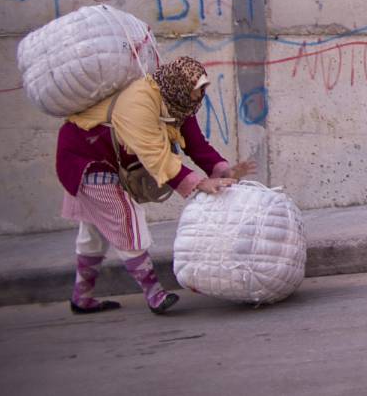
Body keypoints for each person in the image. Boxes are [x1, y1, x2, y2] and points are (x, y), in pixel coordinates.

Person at [56, 56, 257, 314]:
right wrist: (200, 183)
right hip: (85, 158)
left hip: (107, 161)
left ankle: (81, 298)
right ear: (178, 85)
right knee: (126, 219)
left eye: (202, 91)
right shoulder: (139, 104)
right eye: (198, 91)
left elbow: (196, 145)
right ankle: (154, 294)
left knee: (95, 231)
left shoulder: (180, 102)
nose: (200, 97)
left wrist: (224, 171)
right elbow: (156, 157)